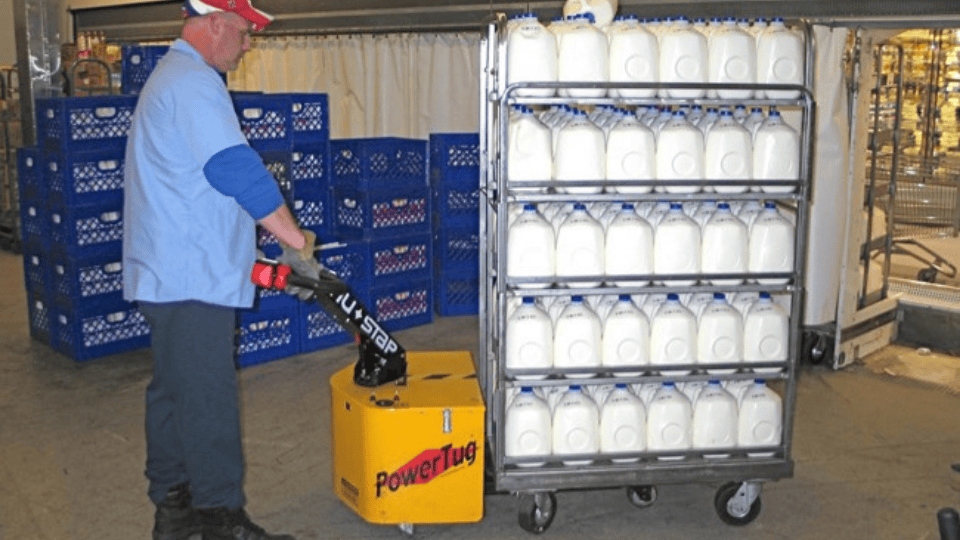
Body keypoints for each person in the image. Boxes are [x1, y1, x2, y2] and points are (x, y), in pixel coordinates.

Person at [123, 1, 314, 539]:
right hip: (190, 277)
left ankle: (174, 509)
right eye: (245, 32)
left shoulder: (173, 75)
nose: (249, 44)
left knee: (174, 392)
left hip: (170, 270)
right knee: (207, 397)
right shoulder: (194, 84)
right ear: (214, 23)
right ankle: (220, 519)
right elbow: (235, 169)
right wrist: (296, 243)